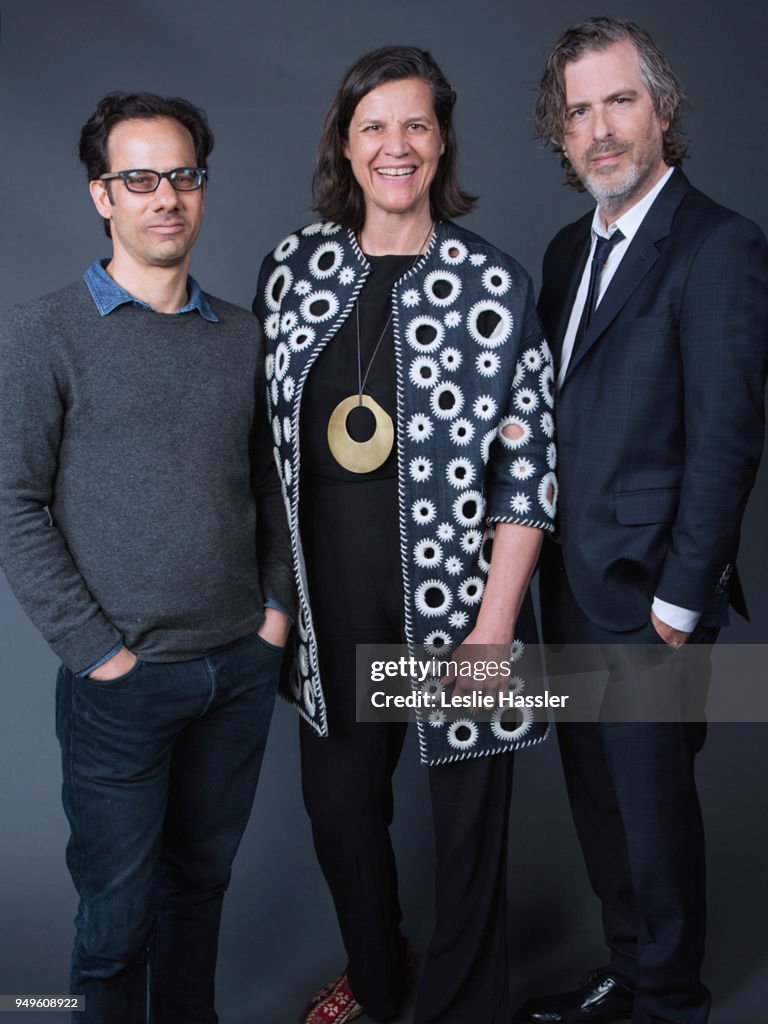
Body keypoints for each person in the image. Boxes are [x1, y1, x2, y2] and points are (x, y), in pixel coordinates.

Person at [253, 44, 556, 1024]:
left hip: (457, 600)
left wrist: (496, 623)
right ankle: (385, 988)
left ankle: (465, 1009)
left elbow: (529, 464)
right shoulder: (292, 270)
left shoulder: (495, 285)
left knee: (469, 830)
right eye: (374, 124)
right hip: (331, 602)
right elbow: (261, 445)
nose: (397, 144)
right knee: (342, 816)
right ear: (345, 142)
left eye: (416, 124)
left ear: (442, 141)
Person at [0, 92, 294, 1024]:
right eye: (140, 178)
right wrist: (101, 656)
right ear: (102, 195)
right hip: (121, 688)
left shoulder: (242, 336)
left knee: (198, 890)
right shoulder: (42, 334)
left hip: (238, 671)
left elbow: (276, 490)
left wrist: (274, 618)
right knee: (117, 920)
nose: (165, 197)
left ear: (201, 189)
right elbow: (13, 508)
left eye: (183, 176)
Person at [513, 17, 768, 1024]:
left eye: (619, 101)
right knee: (599, 803)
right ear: (561, 133)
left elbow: (728, 438)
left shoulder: (720, 246)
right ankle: (628, 968)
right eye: (577, 111)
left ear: (662, 110)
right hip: (567, 585)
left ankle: (670, 1000)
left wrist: (679, 600)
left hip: (650, 597)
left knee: (654, 815)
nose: (600, 129)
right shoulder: (570, 249)